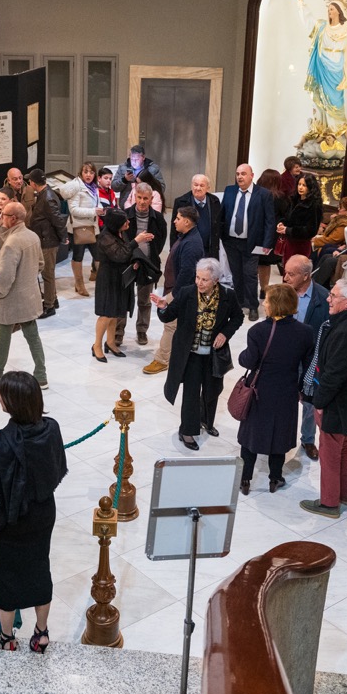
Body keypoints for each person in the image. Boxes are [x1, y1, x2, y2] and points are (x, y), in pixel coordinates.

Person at [0, 372, 67, 653]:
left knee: (7, 578)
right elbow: (57, 467)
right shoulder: (52, 429)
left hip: (10, 524)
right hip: (43, 514)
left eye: (2, 394)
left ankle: (7, 638)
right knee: (40, 569)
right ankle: (41, 632)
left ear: (11, 403)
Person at [299, 279, 347, 518]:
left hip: (338, 405)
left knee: (330, 455)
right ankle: (344, 494)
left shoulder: (344, 331)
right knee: (344, 450)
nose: (328, 299)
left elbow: (334, 374)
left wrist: (319, 403)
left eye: (333, 296)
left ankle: (329, 503)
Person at [153, 257, 245, 450]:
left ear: (216, 280)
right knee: (191, 392)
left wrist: (225, 334)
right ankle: (187, 431)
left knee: (213, 390)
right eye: (197, 277)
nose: (199, 283)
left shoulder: (228, 295)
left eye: (204, 279)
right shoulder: (187, 293)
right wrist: (163, 307)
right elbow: (169, 316)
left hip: (214, 355)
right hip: (191, 354)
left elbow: (238, 317)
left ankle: (206, 421)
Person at [236, 284, 315, 494]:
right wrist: (301, 388)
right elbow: (308, 366)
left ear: (275, 305)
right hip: (286, 391)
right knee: (279, 434)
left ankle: (245, 479)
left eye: (267, 300)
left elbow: (249, 361)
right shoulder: (305, 332)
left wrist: (242, 355)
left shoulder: (257, 331)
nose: (264, 303)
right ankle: (275, 478)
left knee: (251, 436)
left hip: (259, 390)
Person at [0, 202, 47, 388]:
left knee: (4, 335)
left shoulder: (12, 242)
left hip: (11, 299)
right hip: (29, 297)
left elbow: (5, 276)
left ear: (13, 218)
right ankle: (40, 374)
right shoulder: (32, 236)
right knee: (27, 335)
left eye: (4, 215)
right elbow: (40, 264)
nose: (1, 218)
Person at [143, 205, 205, 375]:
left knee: (170, 325)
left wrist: (173, 296)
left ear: (187, 222)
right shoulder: (186, 237)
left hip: (178, 291)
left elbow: (187, 273)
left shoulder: (192, 244)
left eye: (178, 218)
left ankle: (162, 360)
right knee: (176, 326)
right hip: (175, 288)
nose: (174, 221)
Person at [283, 254, 330, 461]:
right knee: (284, 398)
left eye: (291, 274)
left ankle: (308, 439)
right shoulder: (283, 293)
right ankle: (283, 436)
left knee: (309, 403)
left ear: (305, 276)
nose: (286, 278)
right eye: (285, 273)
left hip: (312, 359)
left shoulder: (323, 297)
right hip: (286, 358)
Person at [290, 0, 347, 132]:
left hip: (337, 68)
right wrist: (300, 0)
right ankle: (320, 128)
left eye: (332, 9)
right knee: (319, 98)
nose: (329, 11)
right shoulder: (322, 27)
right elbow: (308, 20)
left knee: (335, 99)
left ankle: (337, 129)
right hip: (321, 66)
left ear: (339, 11)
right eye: (328, 9)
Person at [221, 163, 277, 320]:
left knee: (250, 274)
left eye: (243, 174)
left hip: (252, 243)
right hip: (231, 241)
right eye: (237, 174)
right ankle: (239, 303)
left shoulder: (263, 194)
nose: (240, 177)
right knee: (236, 274)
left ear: (252, 176)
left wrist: (267, 244)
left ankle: (253, 306)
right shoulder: (230, 191)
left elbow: (270, 221)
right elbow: (223, 213)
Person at [116, 182, 166, 348]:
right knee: (123, 299)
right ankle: (118, 332)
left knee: (144, 301)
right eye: (139, 197)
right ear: (134, 197)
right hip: (127, 263)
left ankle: (142, 330)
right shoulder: (124, 216)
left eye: (146, 198)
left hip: (148, 264)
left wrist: (146, 258)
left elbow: (160, 242)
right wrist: (133, 258)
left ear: (151, 199)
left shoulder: (158, 218)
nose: (142, 202)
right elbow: (120, 241)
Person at [91, 209, 136, 362]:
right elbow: (120, 255)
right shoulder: (105, 237)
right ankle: (97, 345)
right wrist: (136, 242)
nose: (128, 222)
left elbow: (126, 253)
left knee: (115, 312)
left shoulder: (120, 233)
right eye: (124, 221)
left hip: (119, 277)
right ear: (116, 223)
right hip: (108, 278)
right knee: (106, 314)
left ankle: (110, 342)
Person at [55, 162, 101, 297]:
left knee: (99, 255)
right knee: (78, 256)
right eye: (86, 172)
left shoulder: (94, 187)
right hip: (78, 228)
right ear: (81, 173)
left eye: (91, 172)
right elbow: (74, 210)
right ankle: (79, 284)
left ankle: (102, 282)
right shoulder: (76, 187)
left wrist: (99, 210)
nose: (88, 175)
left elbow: (95, 203)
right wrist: (93, 211)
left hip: (92, 227)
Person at [27, 169, 64, 318]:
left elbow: (57, 220)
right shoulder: (45, 194)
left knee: (47, 275)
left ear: (33, 183)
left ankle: (49, 306)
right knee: (48, 273)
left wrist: (63, 237)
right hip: (45, 239)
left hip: (48, 241)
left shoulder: (47, 198)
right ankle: (53, 299)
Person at [171, 173, 223, 260]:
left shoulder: (214, 201)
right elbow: (174, 230)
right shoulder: (181, 202)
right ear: (191, 186)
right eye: (195, 185)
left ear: (208, 188)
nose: (198, 188)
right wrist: (173, 251)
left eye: (202, 185)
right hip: (189, 250)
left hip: (210, 251)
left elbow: (219, 224)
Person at [278, 173, 323, 270]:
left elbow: (311, 230)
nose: (301, 187)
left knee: (296, 272)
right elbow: (287, 217)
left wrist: (288, 230)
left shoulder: (314, 205)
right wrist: (282, 223)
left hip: (301, 244)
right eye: (299, 184)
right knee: (287, 270)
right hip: (289, 242)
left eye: (304, 185)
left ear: (310, 187)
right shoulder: (294, 200)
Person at [256, 169, 288, 296]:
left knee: (253, 262)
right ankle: (264, 289)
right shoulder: (279, 197)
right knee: (265, 263)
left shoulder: (255, 195)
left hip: (255, 233)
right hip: (270, 236)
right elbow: (285, 215)